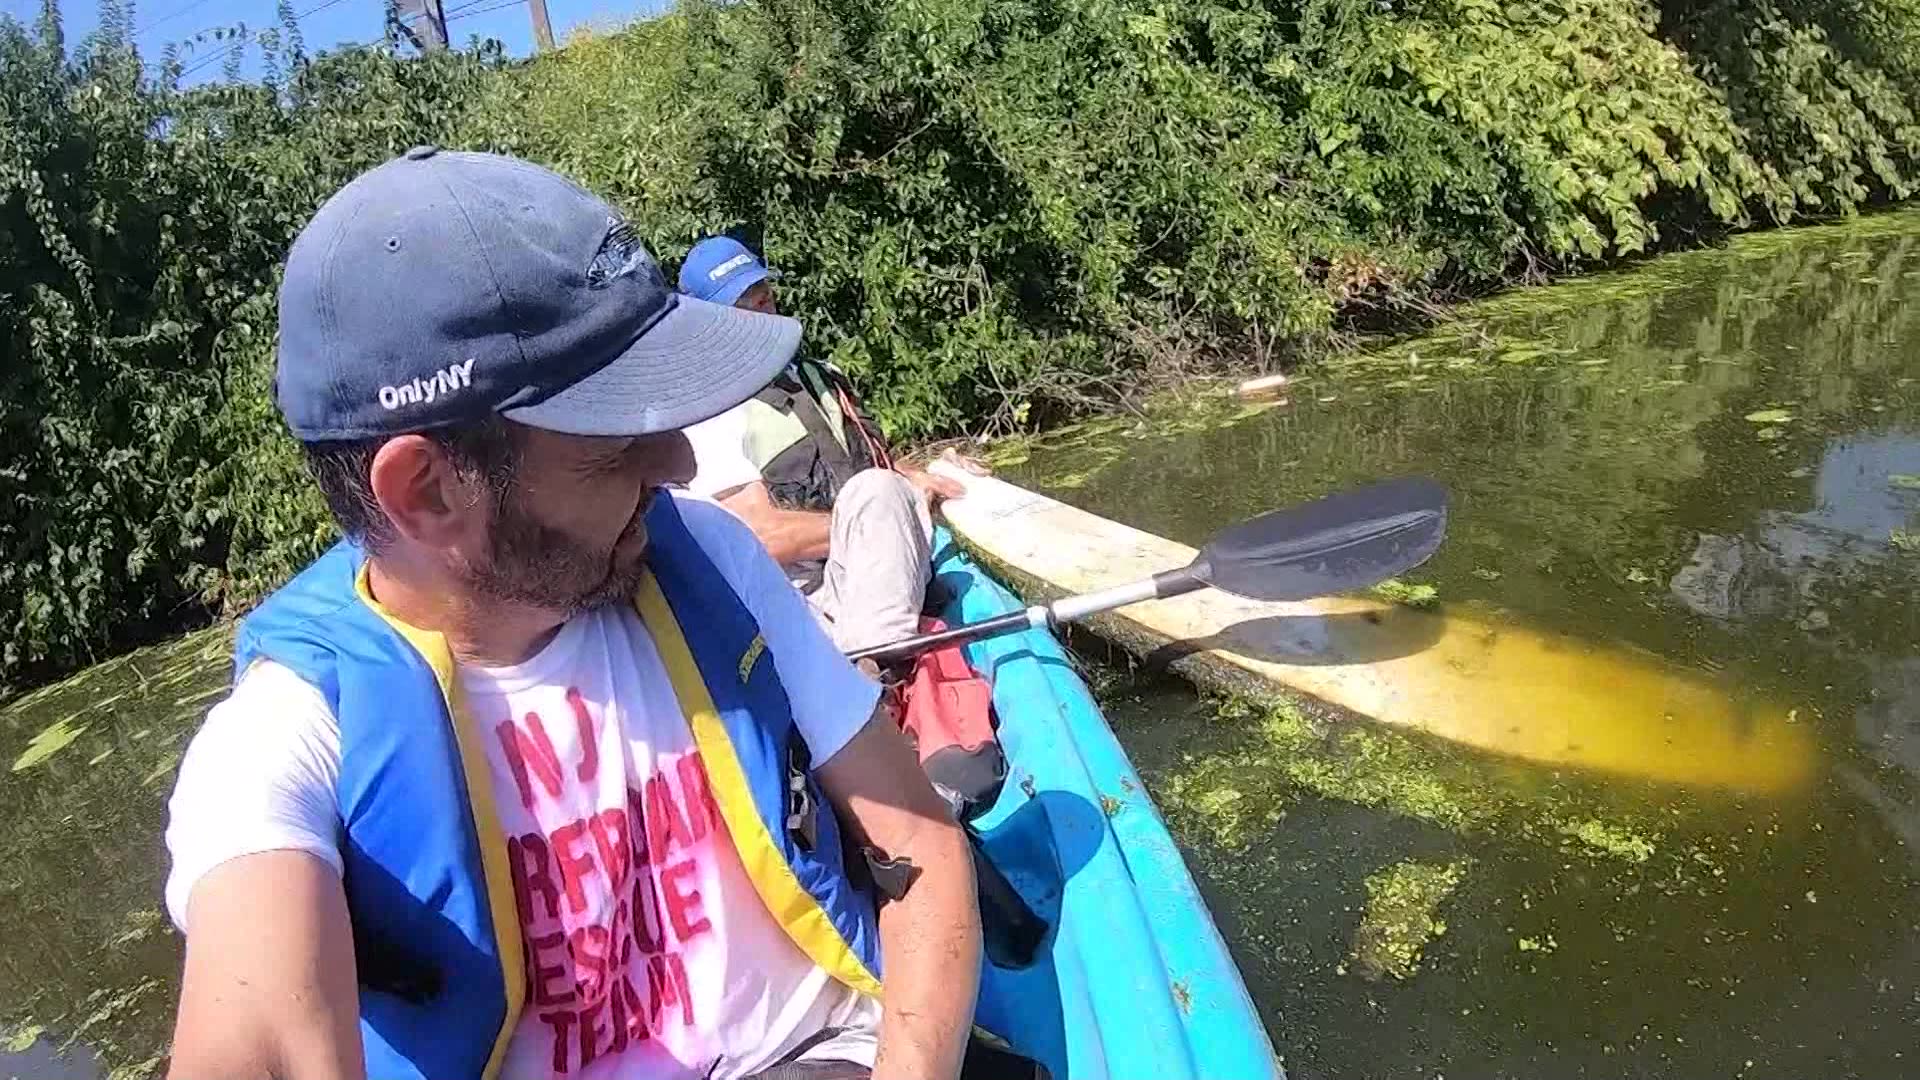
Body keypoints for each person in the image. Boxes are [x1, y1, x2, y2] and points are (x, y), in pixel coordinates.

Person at [162, 149, 981, 1080]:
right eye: (611, 443)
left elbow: (918, 840)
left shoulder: (704, 553)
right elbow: (251, 1039)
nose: (676, 464)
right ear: (427, 490)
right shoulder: (282, 743)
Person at [673, 238, 985, 656]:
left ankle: (888, 647)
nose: (761, 314)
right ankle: (877, 664)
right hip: (805, 598)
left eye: (763, 299)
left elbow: (867, 474)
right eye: (741, 308)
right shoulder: (710, 415)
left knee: (881, 489)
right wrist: (889, 517)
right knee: (881, 494)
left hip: (866, 568)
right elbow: (762, 537)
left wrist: (924, 475)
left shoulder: (821, 378)